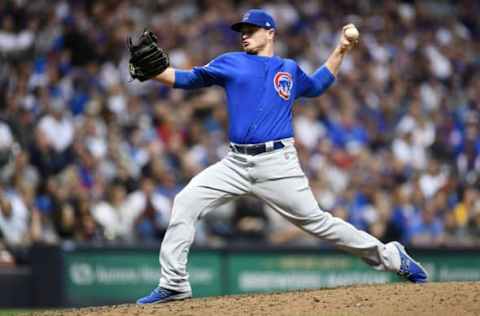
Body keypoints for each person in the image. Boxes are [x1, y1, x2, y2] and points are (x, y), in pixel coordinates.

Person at [135, 9, 428, 304]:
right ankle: (174, 283)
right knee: (186, 200)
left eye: (251, 29)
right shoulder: (230, 62)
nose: (244, 35)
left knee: (318, 222)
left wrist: (340, 49)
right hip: (235, 163)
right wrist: (156, 73)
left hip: (277, 163)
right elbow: (186, 78)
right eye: (242, 31)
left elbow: (317, 85)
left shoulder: (288, 68)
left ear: (270, 32)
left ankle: (392, 256)